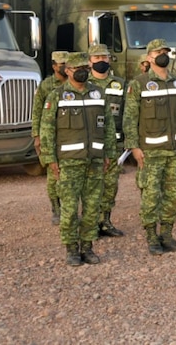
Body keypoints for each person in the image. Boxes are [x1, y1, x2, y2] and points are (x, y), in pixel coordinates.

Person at [39, 52, 116, 266]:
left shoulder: (98, 93)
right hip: (68, 162)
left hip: (95, 161)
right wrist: (50, 159)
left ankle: (88, 247)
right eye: (77, 68)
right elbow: (47, 130)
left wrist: (109, 153)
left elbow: (108, 125)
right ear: (68, 71)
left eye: (85, 67)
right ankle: (72, 249)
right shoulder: (57, 96)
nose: (82, 71)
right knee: (70, 209)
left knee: (92, 207)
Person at [123, 39, 176, 255]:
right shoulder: (139, 83)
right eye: (158, 52)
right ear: (149, 57)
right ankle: (152, 237)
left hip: (174, 150)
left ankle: (167, 235)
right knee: (151, 197)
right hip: (150, 152)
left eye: (165, 51)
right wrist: (134, 147)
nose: (163, 54)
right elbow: (129, 118)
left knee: (173, 195)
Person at [87, 43, 127, 237]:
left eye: (105, 58)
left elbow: (128, 114)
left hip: (113, 146)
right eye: (97, 58)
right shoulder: (83, 85)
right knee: (91, 186)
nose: (101, 61)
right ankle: (90, 225)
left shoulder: (120, 84)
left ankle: (105, 221)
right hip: (89, 147)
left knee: (110, 185)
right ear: (89, 62)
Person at [31, 50, 69, 225]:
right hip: (51, 135)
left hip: (70, 134)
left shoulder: (77, 82)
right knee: (53, 174)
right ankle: (56, 209)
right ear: (54, 66)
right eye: (62, 65)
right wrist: (37, 135)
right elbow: (37, 111)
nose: (65, 68)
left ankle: (70, 208)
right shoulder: (46, 86)